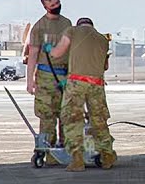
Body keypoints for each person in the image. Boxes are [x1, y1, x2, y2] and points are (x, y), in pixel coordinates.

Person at [52, 16, 117, 172]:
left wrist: (50, 49)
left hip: (76, 83)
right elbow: (105, 66)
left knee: (73, 119)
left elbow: (58, 52)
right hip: (97, 84)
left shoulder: (72, 31)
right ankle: (107, 155)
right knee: (99, 120)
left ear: (79, 25)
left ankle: (77, 160)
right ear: (92, 26)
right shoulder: (103, 39)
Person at [26, 0, 72, 150]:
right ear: (45, 7)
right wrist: (30, 81)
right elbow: (32, 54)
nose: (57, 6)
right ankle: (47, 148)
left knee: (66, 113)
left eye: (58, 3)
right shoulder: (39, 27)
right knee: (47, 115)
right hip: (46, 75)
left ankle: (66, 146)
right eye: (53, 5)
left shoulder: (67, 23)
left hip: (64, 74)